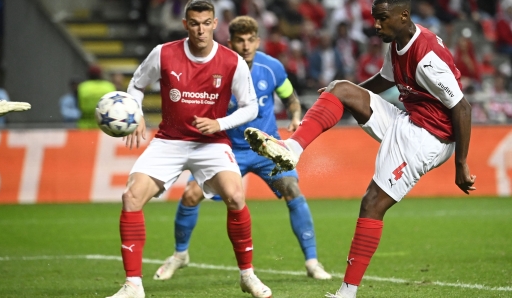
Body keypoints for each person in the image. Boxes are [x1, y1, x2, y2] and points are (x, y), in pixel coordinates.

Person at [244, 0, 476, 297]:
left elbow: (463, 107)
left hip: (428, 138)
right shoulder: (397, 43)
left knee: (371, 204)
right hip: (409, 119)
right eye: (374, 18)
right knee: (340, 87)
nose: (375, 25)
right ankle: (292, 148)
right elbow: (384, 80)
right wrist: (346, 94)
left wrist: (461, 165)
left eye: (382, 18)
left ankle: (347, 292)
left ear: (403, 15)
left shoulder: (426, 56)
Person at [107, 1, 271, 298]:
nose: (200, 29)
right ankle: (133, 285)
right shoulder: (163, 52)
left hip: (211, 143)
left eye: (206, 23)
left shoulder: (231, 61)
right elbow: (137, 83)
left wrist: (218, 123)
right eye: (194, 23)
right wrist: (137, 112)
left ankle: (247, 275)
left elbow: (250, 108)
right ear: (185, 24)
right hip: (169, 141)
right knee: (131, 197)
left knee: (235, 196)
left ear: (214, 24)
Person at [153, 15, 332, 282]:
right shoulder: (214, 66)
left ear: (258, 41)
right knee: (191, 195)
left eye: (251, 40)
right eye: (240, 40)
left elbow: (291, 99)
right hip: (225, 149)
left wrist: (295, 117)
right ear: (230, 42)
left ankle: (312, 261)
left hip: (266, 148)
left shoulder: (272, 67)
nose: (246, 46)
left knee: (292, 190)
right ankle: (180, 255)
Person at [77, 64, 116, 129]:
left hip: (85, 125)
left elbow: (79, 104)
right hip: (105, 124)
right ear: (100, 74)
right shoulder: (109, 86)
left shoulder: (82, 87)